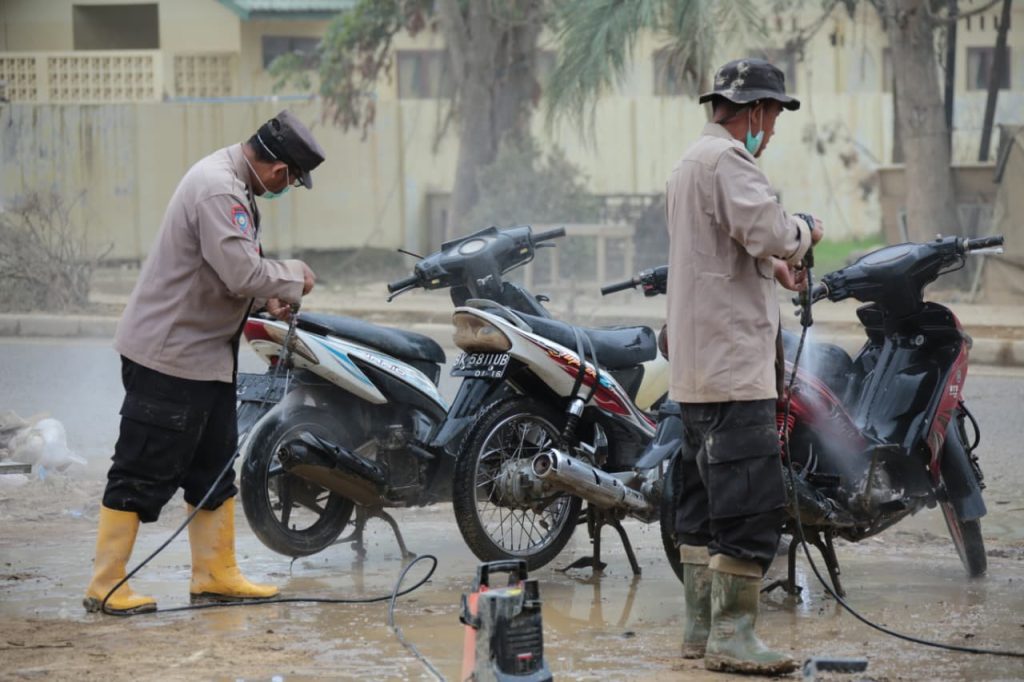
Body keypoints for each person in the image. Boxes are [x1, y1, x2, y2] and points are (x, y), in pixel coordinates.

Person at [84, 110, 326, 614]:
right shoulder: (219, 189)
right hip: (170, 357)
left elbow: (220, 273)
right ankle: (106, 585)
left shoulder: (232, 183)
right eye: (289, 181)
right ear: (280, 170)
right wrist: (290, 277)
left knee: (212, 469)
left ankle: (215, 575)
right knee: (141, 468)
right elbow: (240, 272)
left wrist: (266, 300)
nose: (285, 188)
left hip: (206, 357)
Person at [665, 58, 824, 674]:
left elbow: (722, 247)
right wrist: (804, 232)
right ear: (755, 110)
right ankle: (732, 636)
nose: (774, 131)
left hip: (697, 372)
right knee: (749, 504)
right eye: (774, 117)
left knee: (703, 504)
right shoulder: (730, 161)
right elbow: (772, 230)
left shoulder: (687, 163)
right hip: (734, 369)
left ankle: (699, 629)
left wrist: (772, 269)